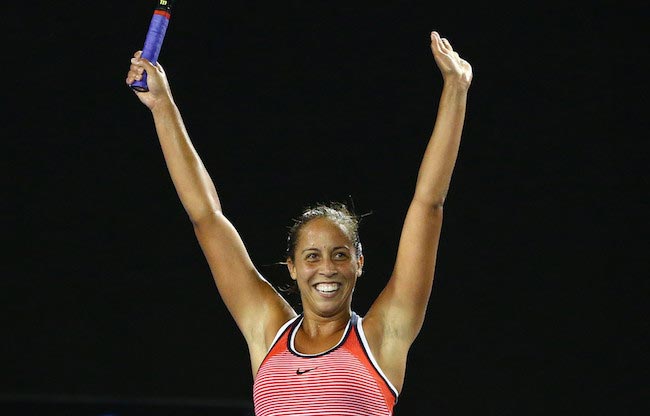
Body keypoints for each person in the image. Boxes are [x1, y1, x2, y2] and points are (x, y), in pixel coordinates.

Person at [125, 30, 472, 415]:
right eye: (312, 256)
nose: (327, 268)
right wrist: (162, 105)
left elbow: (428, 204)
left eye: (340, 255)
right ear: (291, 267)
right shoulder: (266, 330)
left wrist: (456, 88)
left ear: (359, 261)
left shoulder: (383, 336)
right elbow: (207, 217)